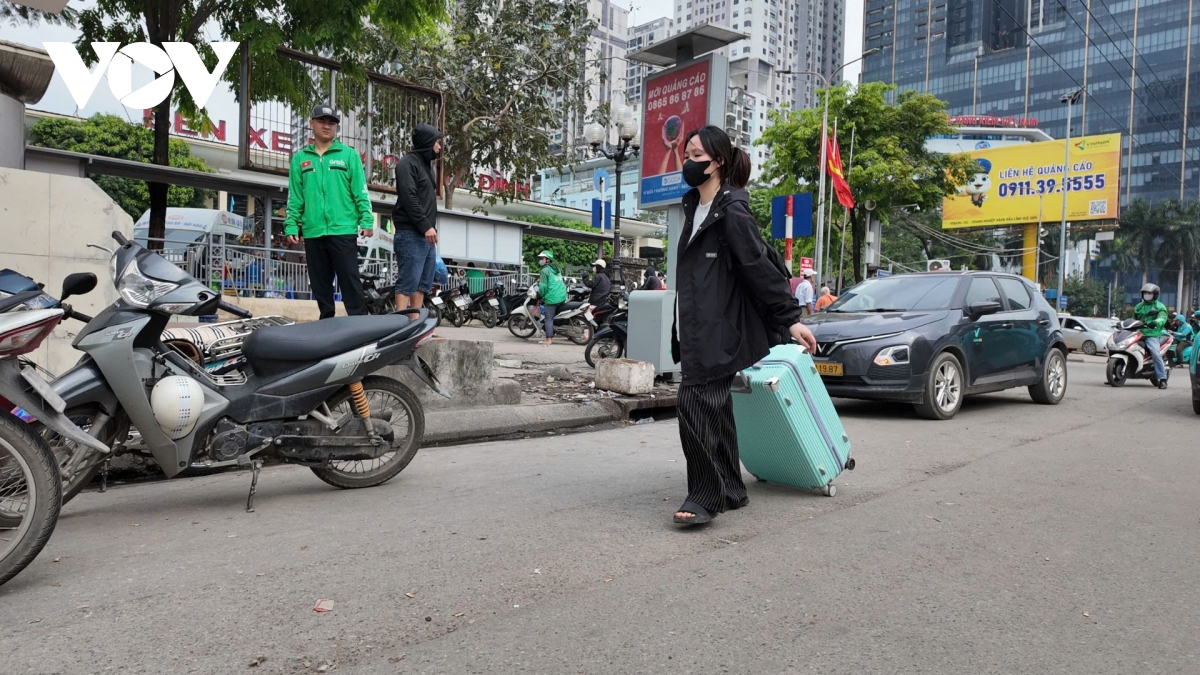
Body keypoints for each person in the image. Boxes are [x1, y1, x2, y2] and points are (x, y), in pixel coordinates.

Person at [671, 124, 817, 526]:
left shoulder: (730, 209)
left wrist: (790, 320)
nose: (689, 161)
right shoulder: (693, 207)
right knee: (715, 410)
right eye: (687, 154)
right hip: (697, 327)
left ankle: (704, 496)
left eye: (698, 156)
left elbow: (758, 267)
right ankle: (731, 489)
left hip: (719, 330)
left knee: (694, 406)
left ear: (718, 162)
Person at [283, 103, 373, 319]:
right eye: (322, 121)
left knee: (350, 280)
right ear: (311, 123)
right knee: (320, 283)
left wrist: (366, 219)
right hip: (313, 231)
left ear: (336, 128)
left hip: (342, 229)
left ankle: (360, 324)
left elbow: (361, 190)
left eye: (331, 123)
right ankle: (326, 325)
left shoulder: (348, 156)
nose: (327, 126)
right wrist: (291, 223)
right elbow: (295, 196)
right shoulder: (300, 159)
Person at [392, 123, 444, 310]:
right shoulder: (407, 163)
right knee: (408, 282)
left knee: (423, 284)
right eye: (437, 143)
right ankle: (400, 327)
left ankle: (415, 326)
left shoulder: (426, 166)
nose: (439, 147)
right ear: (427, 142)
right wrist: (425, 225)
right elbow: (408, 197)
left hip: (426, 236)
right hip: (411, 233)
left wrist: (430, 228)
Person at [1133, 283, 1169, 389]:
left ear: (1155, 294)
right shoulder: (1138, 306)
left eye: (1149, 293)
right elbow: (1133, 319)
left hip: (1152, 334)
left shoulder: (1160, 307)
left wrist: (1156, 322)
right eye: (1145, 293)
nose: (1147, 295)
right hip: (1138, 333)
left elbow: (1162, 318)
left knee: (1155, 353)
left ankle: (1162, 378)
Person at [534, 250, 567, 346]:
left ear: (547, 260)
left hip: (552, 298)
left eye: (542, 258)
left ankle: (548, 339)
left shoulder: (544, 270)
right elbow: (553, 280)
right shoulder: (557, 268)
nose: (541, 260)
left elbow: (543, 288)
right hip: (561, 296)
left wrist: (539, 295)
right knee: (553, 316)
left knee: (548, 318)